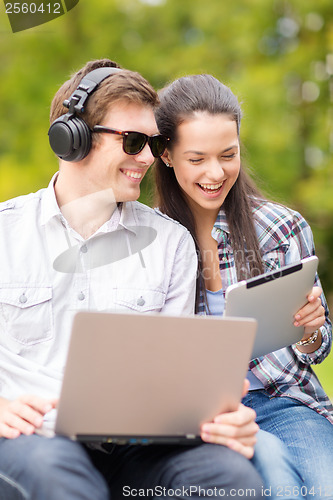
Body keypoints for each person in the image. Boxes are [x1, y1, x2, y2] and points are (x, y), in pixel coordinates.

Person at [0, 58, 269, 500]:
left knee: (229, 478)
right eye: (133, 141)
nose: (148, 157)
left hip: (136, 446)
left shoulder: (171, 244)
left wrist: (219, 415)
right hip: (33, 440)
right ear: (72, 139)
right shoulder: (7, 232)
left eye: (153, 142)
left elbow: (172, 381)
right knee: (58, 475)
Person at [154, 73, 333, 497]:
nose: (216, 172)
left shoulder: (280, 229)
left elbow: (320, 347)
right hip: (199, 415)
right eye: (196, 159)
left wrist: (310, 329)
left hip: (284, 401)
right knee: (274, 478)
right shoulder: (151, 238)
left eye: (228, 155)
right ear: (166, 155)